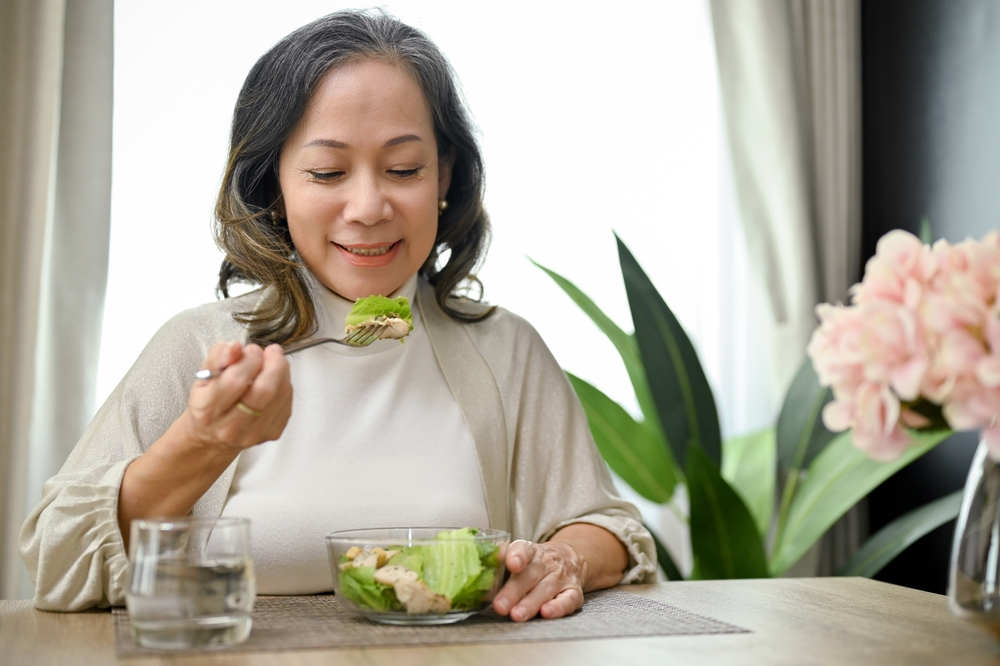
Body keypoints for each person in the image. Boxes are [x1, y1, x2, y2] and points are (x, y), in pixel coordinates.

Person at [19, 9, 656, 620]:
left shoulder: (503, 348)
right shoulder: (202, 347)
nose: (368, 206)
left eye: (404, 168)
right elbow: (54, 559)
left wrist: (564, 559)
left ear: (444, 175)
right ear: (276, 186)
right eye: (327, 172)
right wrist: (205, 442)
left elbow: (608, 525)